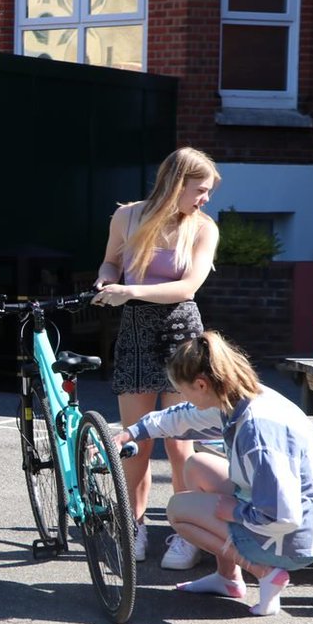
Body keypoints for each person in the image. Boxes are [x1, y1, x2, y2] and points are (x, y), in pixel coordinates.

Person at [113, 332, 313, 616]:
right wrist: (131, 432)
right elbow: (182, 417)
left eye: (184, 391)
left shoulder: (257, 431)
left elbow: (284, 514)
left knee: (178, 509)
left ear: (201, 384)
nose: (184, 398)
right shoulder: (239, 398)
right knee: (196, 467)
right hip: (290, 520)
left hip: (295, 539)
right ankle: (227, 579)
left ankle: (265, 571)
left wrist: (237, 511)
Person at [92, 146, 220, 570]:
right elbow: (111, 262)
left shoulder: (203, 229)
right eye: (200, 189)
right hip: (135, 333)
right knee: (136, 442)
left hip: (182, 334)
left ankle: (185, 535)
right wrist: (105, 279)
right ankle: (134, 527)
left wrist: (128, 291)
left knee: (181, 445)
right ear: (176, 183)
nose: (205, 199)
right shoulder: (127, 216)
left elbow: (188, 288)